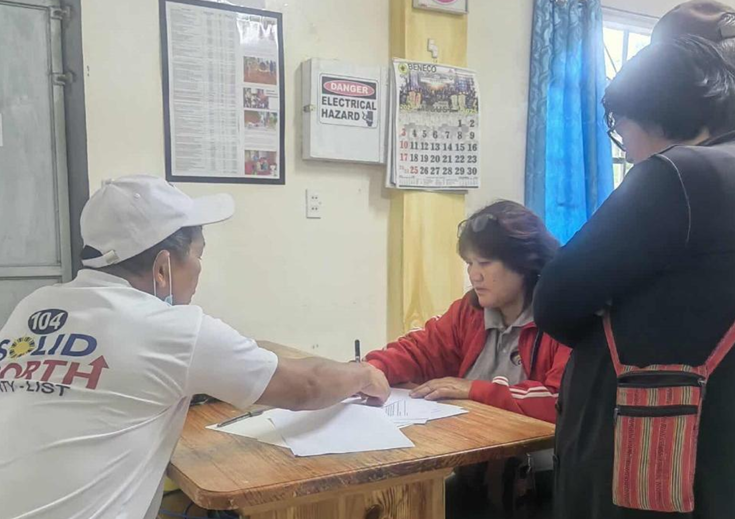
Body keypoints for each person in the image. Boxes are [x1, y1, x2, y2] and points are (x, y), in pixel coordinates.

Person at [0, 176, 390, 519]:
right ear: (162, 269)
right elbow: (307, 386)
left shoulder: (34, 305)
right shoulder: (173, 330)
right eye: (199, 254)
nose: (200, 268)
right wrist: (364, 373)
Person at [534, 37, 735, 519]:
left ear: (655, 111)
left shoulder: (679, 173)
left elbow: (555, 298)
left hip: (657, 447)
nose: (627, 153)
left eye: (623, 132)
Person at [367, 200, 570, 424]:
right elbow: (420, 352)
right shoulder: (470, 311)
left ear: (524, 263)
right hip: (474, 437)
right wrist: (369, 371)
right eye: (469, 263)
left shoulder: (564, 320)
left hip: (530, 445)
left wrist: (474, 390)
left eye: (485, 263)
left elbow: (561, 401)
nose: (474, 275)